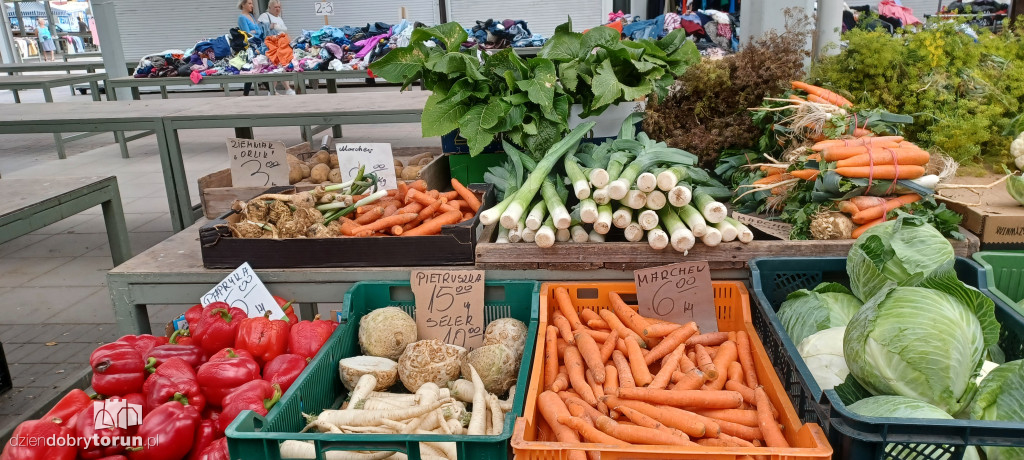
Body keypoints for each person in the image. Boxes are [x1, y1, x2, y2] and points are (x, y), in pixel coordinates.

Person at [258, 0, 295, 95]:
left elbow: (284, 31)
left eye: (279, 7)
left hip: (282, 46)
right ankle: (282, 89)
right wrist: (270, 26)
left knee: (280, 67)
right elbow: (260, 29)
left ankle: (276, 90)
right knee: (277, 67)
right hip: (272, 47)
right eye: (275, 7)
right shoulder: (264, 16)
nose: (278, 9)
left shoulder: (279, 18)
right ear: (269, 7)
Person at [237, 0, 262, 96]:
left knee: (255, 68)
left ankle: (245, 94)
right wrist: (255, 32)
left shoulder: (251, 16)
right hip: (249, 47)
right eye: (249, 3)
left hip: (257, 45)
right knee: (254, 68)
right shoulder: (242, 18)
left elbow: (259, 31)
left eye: (252, 3)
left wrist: (255, 32)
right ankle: (271, 91)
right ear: (243, 5)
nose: (252, 6)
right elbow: (247, 34)